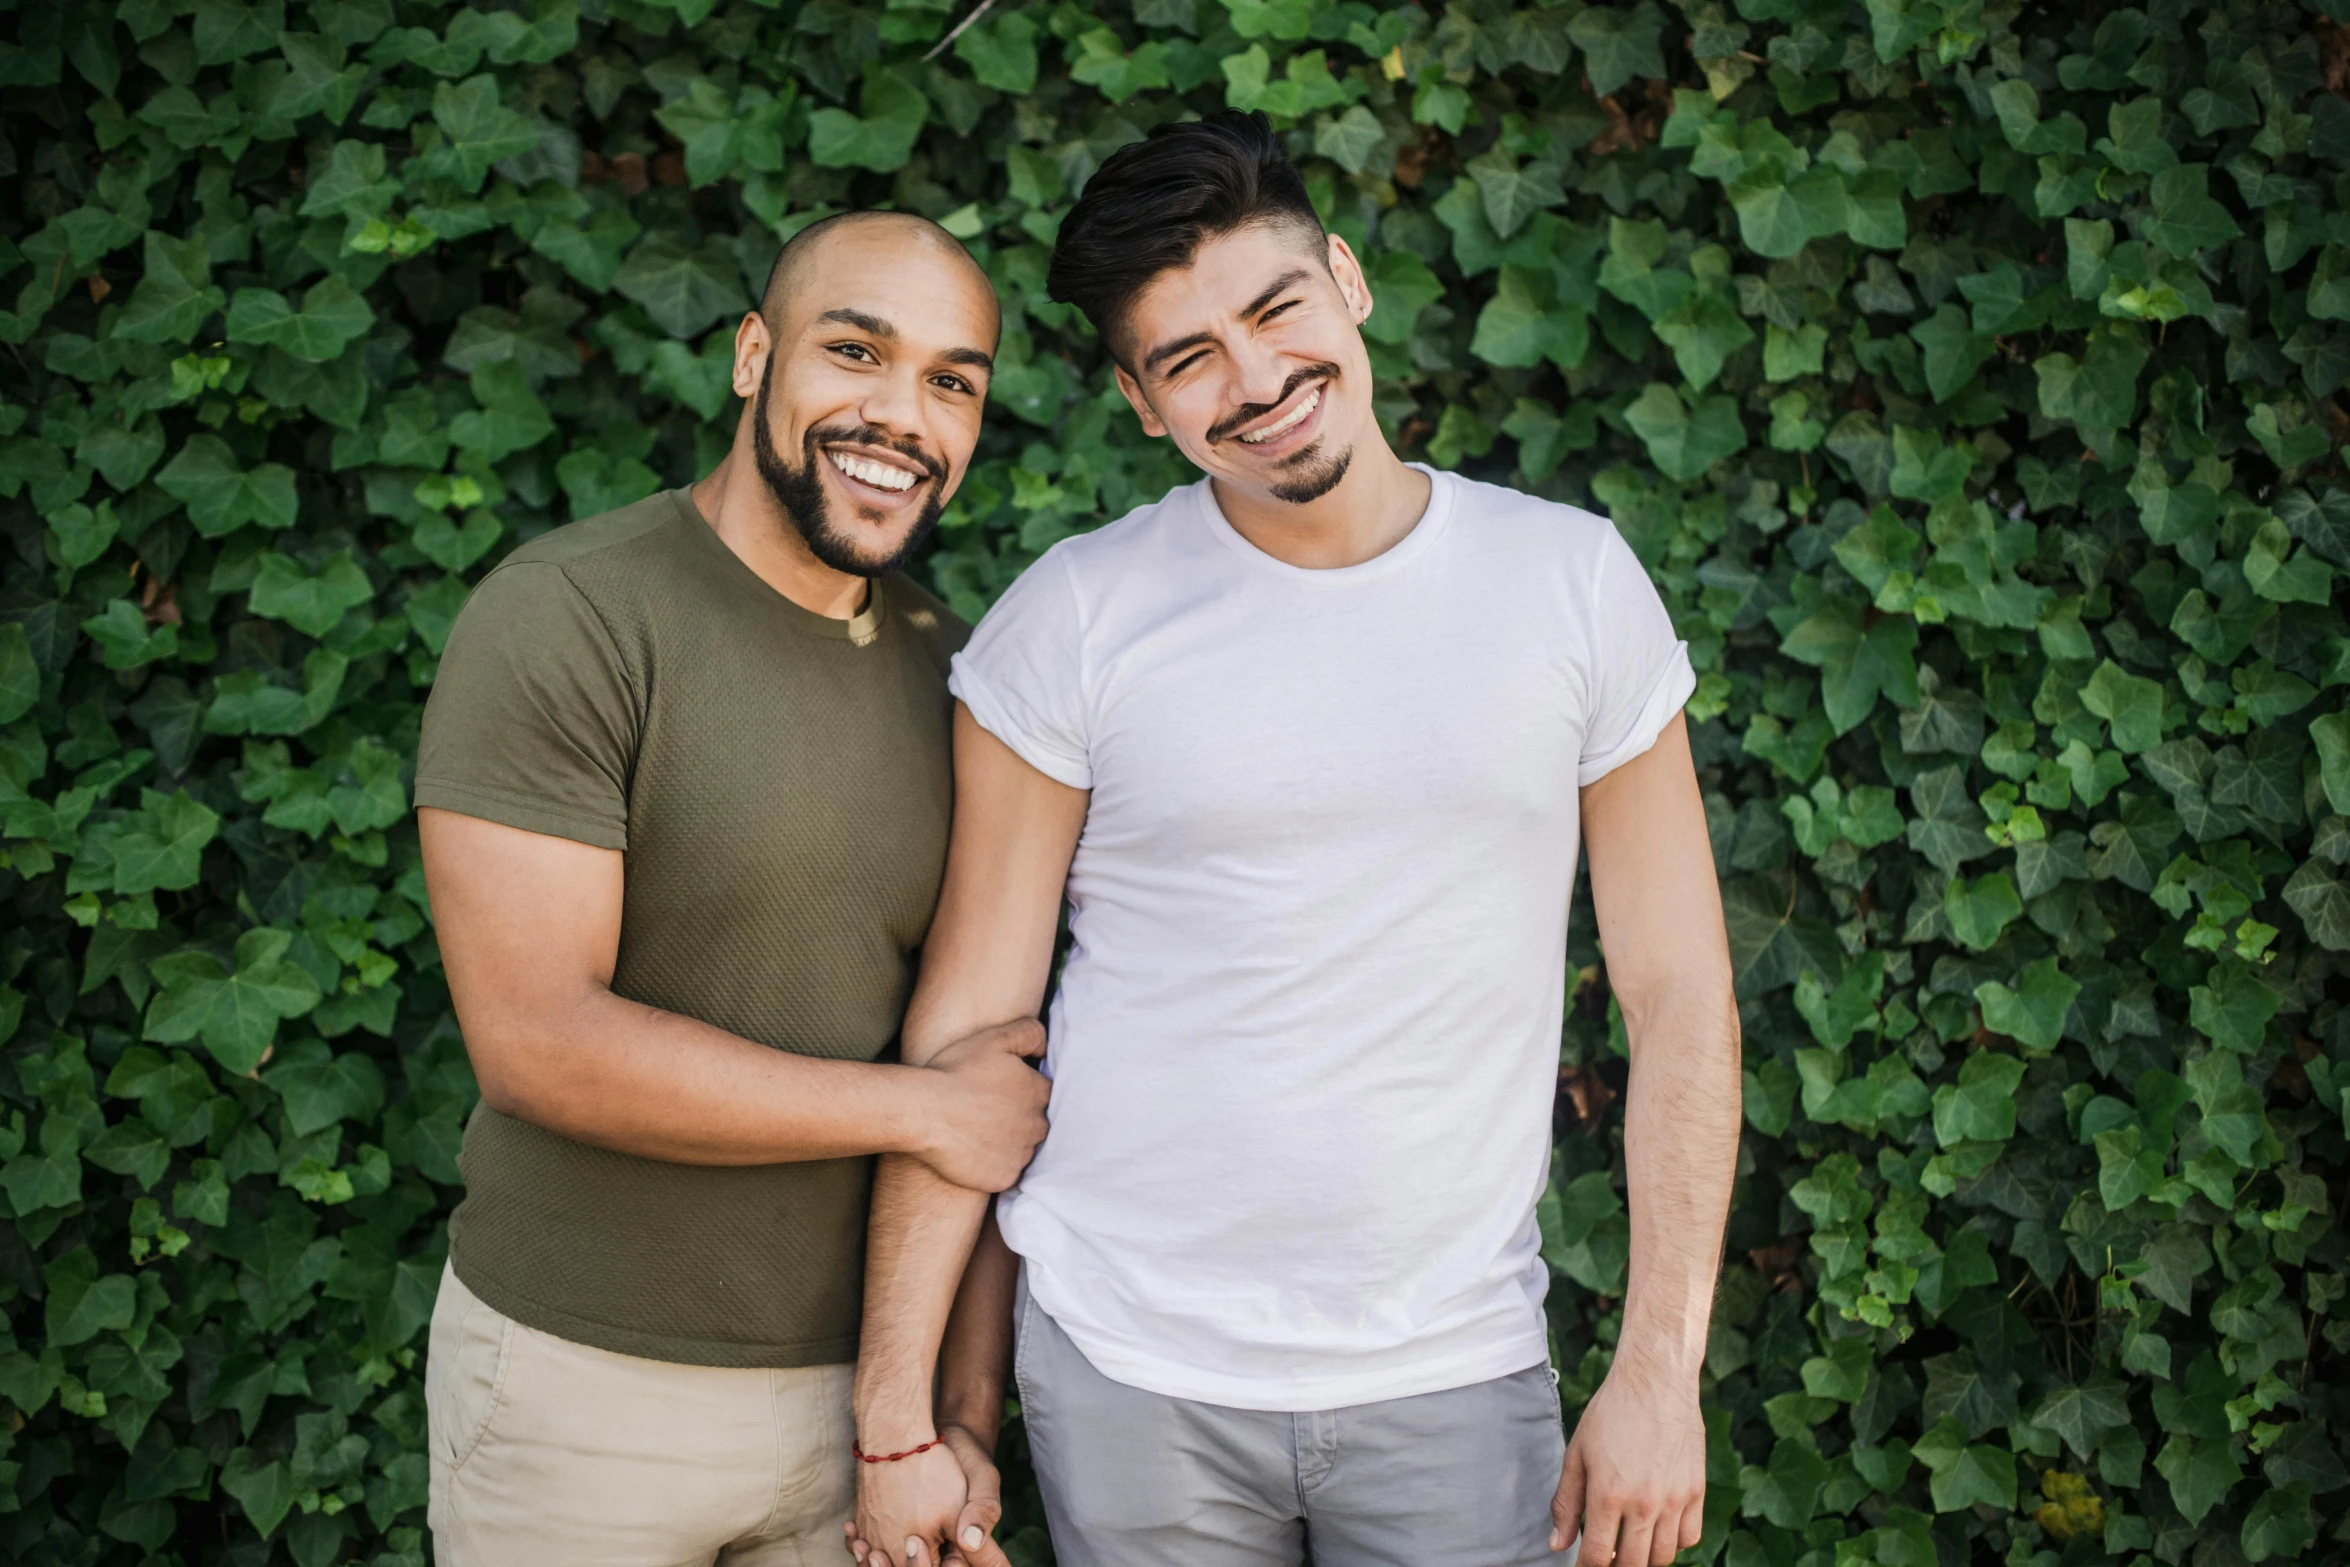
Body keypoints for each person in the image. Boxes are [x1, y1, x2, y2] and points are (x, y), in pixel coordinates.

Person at [844, 113, 1744, 1567]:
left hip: (1452, 1365)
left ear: (1344, 278)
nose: (1255, 381)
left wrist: (1658, 1368)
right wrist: (902, 1417)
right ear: (1142, 403)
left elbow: (1680, 995)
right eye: (1188, 357)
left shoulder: (1569, 583)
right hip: (1131, 1369)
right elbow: (967, 1032)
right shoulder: (1074, 619)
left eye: (1275, 311)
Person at [414, 211, 1050, 1566]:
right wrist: (922, 1110)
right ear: (752, 354)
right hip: (581, 1394)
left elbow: (999, 1081)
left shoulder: (970, 680)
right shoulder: (572, 615)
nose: (900, 414)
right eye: (855, 352)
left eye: (951, 380)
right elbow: (538, 1040)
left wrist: (953, 1417)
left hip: (858, 1418)